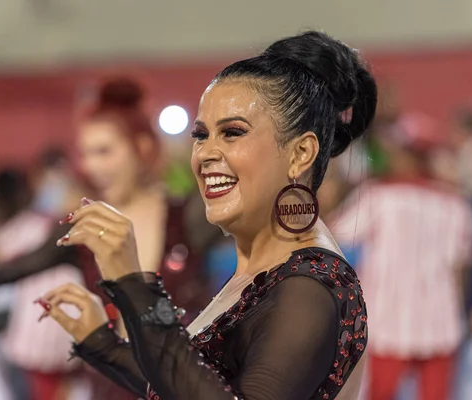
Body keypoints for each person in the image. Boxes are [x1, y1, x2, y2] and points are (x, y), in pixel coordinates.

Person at [38, 30, 376, 400]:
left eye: (232, 132)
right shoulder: (268, 269)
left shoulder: (309, 286)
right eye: (201, 135)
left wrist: (134, 286)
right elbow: (188, 386)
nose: (205, 154)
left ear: (300, 154)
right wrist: (101, 342)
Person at [0, 78, 213, 399]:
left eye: (104, 151)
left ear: (142, 148)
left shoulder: (188, 217)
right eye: (86, 154)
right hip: (115, 384)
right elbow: (14, 269)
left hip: (187, 381)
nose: (92, 166)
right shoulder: (85, 226)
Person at [330, 113, 472, 400]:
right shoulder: (455, 203)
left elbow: (336, 231)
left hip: (389, 321)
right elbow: (461, 268)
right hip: (439, 320)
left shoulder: (378, 196)